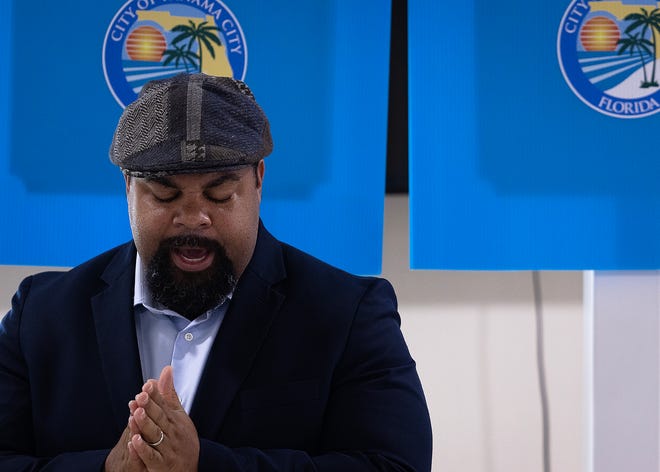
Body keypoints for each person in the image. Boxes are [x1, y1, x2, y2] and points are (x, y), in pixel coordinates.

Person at [0, 73, 432, 471]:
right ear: (128, 188)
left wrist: (205, 464)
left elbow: (396, 465)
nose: (193, 217)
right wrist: (105, 469)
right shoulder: (41, 314)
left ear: (258, 181)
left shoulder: (348, 314)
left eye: (220, 194)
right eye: (165, 195)